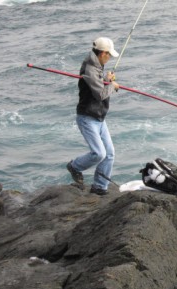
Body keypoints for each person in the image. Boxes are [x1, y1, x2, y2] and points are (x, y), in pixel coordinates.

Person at [66, 37, 120, 195]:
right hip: (87, 117)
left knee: (109, 154)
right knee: (99, 153)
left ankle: (99, 187)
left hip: (99, 117)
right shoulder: (90, 69)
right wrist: (112, 85)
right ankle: (75, 166)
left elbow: (97, 85)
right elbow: (100, 94)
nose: (110, 58)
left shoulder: (97, 66)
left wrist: (106, 79)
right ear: (103, 53)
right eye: (109, 55)